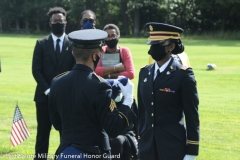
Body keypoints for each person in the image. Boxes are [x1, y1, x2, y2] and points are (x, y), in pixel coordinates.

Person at [48, 29, 136, 160]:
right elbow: (114, 128)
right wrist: (128, 100)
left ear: (73, 53)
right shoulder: (100, 85)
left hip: (66, 151)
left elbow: (57, 123)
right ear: (95, 56)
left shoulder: (56, 82)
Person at [137, 22, 200, 160]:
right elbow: (142, 112)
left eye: (158, 44)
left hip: (172, 147)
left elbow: (192, 116)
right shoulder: (144, 72)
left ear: (171, 46)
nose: (154, 48)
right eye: (152, 44)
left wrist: (192, 152)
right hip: (147, 147)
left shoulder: (183, 75)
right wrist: (139, 138)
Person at [32, 7, 75, 160]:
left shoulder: (73, 44)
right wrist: (48, 90)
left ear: (66, 23)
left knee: (66, 133)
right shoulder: (41, 43)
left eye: (61, 21)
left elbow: (75, 70)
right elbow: (36, 70)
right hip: (44, 98)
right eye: (55, 21)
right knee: (43, 133)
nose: (58, 23)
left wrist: (63, 91)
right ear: (50, 23)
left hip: (65, 99)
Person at [95, 23, 137, 160]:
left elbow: (130, 73)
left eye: (113, 35)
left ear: (118, 36)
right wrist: (117, 69)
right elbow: (95, 72)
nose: (111, 38)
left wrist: (107, 74)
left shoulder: (124, 51)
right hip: (105, 97)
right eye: (108, 36)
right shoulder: (101, 51)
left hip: (123, 98)